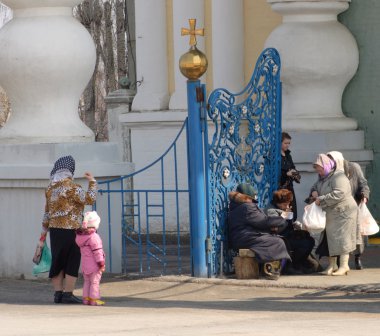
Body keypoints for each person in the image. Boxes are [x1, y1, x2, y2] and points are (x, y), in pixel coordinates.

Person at [39, 155, 97, 304]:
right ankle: (68, 294)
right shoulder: (73, 188)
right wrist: (92, 182)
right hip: (71, 230)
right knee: (72, 259)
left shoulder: (50, 189)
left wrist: (43, 233)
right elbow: (90, 199)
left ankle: (57, 294)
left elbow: (47, 213)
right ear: (71, 170)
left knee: (57, 260)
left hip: (55, 230)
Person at [228, 183, 291, 280]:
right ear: (246, 197)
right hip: (246, 237)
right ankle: (269, 271)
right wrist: (281, 218)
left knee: (277, 240)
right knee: (277, 242)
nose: (253, 201)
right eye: (252, 199)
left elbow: (257, 222)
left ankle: (269, 268)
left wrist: (271, 227)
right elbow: (263, 221)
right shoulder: (247, 207)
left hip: (244, 237)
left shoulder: (239, 206)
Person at [309, 154, 357, 276]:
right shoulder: (323, 177)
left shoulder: (338, 176)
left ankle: (344, 265)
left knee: (342, 238)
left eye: (319, 168)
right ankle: (332, 265)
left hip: (343, 213)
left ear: (327, 165)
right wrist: (313, 191)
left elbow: (340, 193)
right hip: (331, 213)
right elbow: (315, 186)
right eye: (317, 169)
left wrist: (321, 199)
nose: (318, 171)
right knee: (330, 240)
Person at [327, 151, 370, 270]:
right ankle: (341, 263)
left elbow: (363, 183)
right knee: (339, 235)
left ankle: (357, 257)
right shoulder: (328, 171)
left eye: (332, 161)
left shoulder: (353, 167)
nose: (330, 163)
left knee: (355, 235)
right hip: (336, 208)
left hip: (353, 206)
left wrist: (364, 196)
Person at [266, 189, 320, 274]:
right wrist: (284, 215)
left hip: (289, 234)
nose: (287, 206)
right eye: (285, 204)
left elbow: (289, 223)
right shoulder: (271, 211)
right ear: (278, 203)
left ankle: (300, 263)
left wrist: (295, 224)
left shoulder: (283, 208)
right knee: (304, 243)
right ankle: (292, 264)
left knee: (309, 239)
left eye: (288, 203)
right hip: (280, 237)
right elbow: (274, 228)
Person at [76, 211, 106, 306]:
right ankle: (94, 299)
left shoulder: (80, 237)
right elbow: (98, 252)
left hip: (85, 265)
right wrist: (101, 264)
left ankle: (86, 299)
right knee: (95, 282)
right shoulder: (94, 237)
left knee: (87, 282)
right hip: (94, 265)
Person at [280, 132, 300, 220]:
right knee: (283, 212)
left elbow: (293, 168)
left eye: (289, 143)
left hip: (289, 188)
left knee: (292, 212)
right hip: (280, 188)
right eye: (285, 143)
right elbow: (275, 172)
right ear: (279, 142)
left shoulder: (288, 155)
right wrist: (286, 174)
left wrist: (295, 173)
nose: (287, 145)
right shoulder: (275, 156)